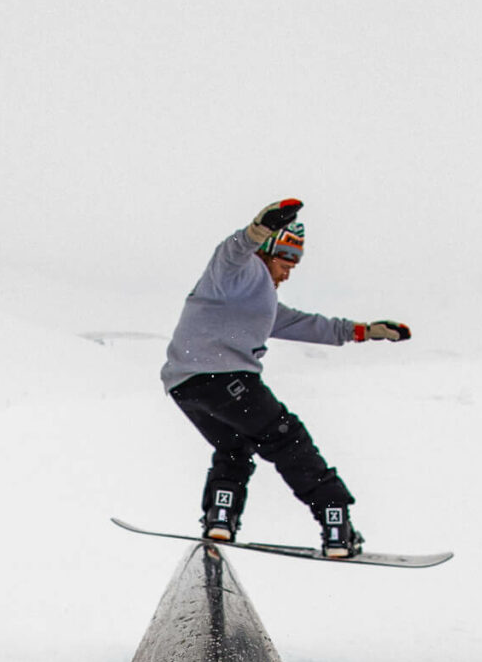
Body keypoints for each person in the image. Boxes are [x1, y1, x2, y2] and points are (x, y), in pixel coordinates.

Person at [162, 198, 410, 557]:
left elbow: (309, 325)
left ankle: (220, 517)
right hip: (225, 379)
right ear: (267, 252)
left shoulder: (253, 302)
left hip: (186, 388)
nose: (289, 271)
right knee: (288, 441)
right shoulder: (238, 273)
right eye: (286, 260)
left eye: (296, 262)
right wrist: (257, 229)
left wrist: (365, 331)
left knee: (234, 447)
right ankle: (336, 523)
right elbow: (231, 252)